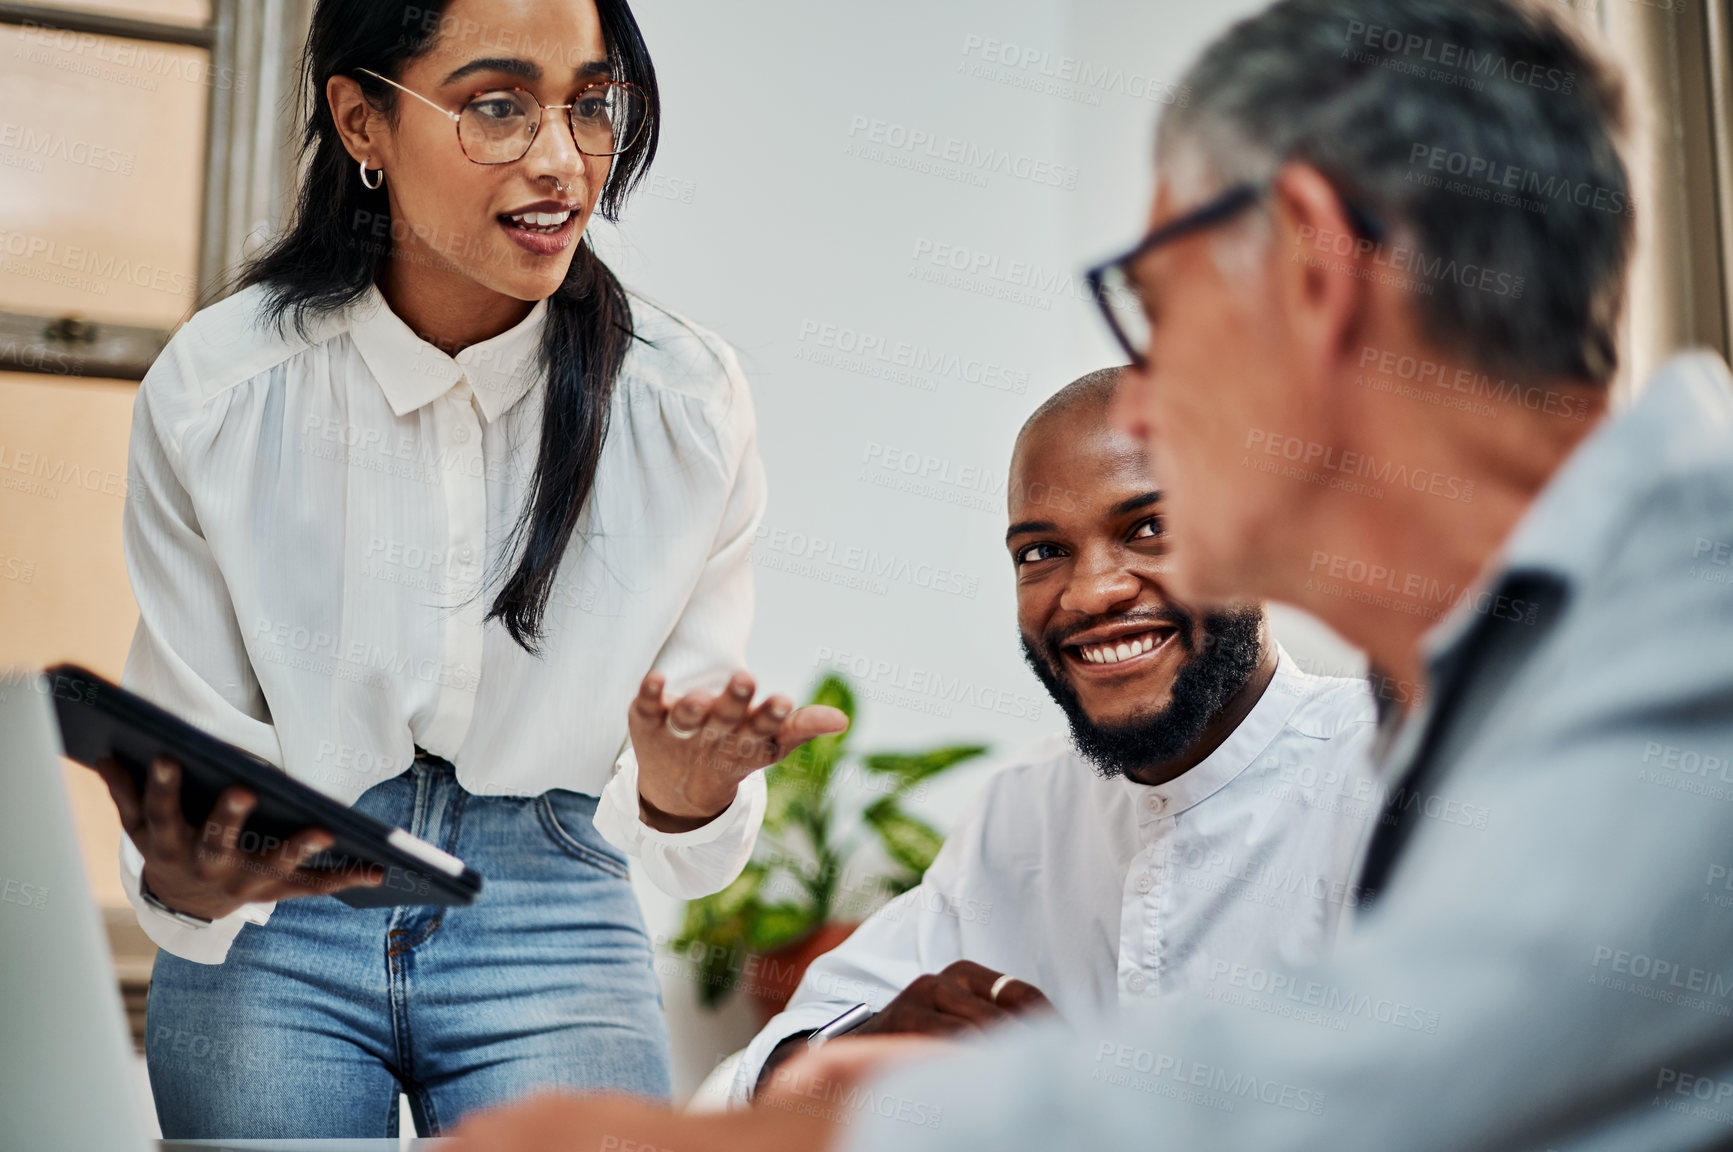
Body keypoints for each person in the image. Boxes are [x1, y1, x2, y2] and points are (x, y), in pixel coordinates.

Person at [446, 0, 1733, 1149]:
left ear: (1309, 266)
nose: (1154, 403)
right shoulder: (1476, 695)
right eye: (1042, 550)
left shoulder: (1692, 633)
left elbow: (1400, 1087)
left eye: (1153, 312)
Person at [90, 0, 845, 1139]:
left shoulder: (683, 407)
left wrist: (686, 795)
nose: (559, 160)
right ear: (361, 122)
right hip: (279, 907)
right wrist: (192, 869)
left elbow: (679, 821)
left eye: (589, 105)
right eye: (496, 105)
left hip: (547, 900)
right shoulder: (222, 391)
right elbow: (195, 758)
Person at [732, 369, 1379, 1101]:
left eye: (1150, 528)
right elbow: (760, 1078)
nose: (1090, 592)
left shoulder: (1393, 771)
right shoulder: (1024, 809)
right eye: (1041, 552)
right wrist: (866, 1045)